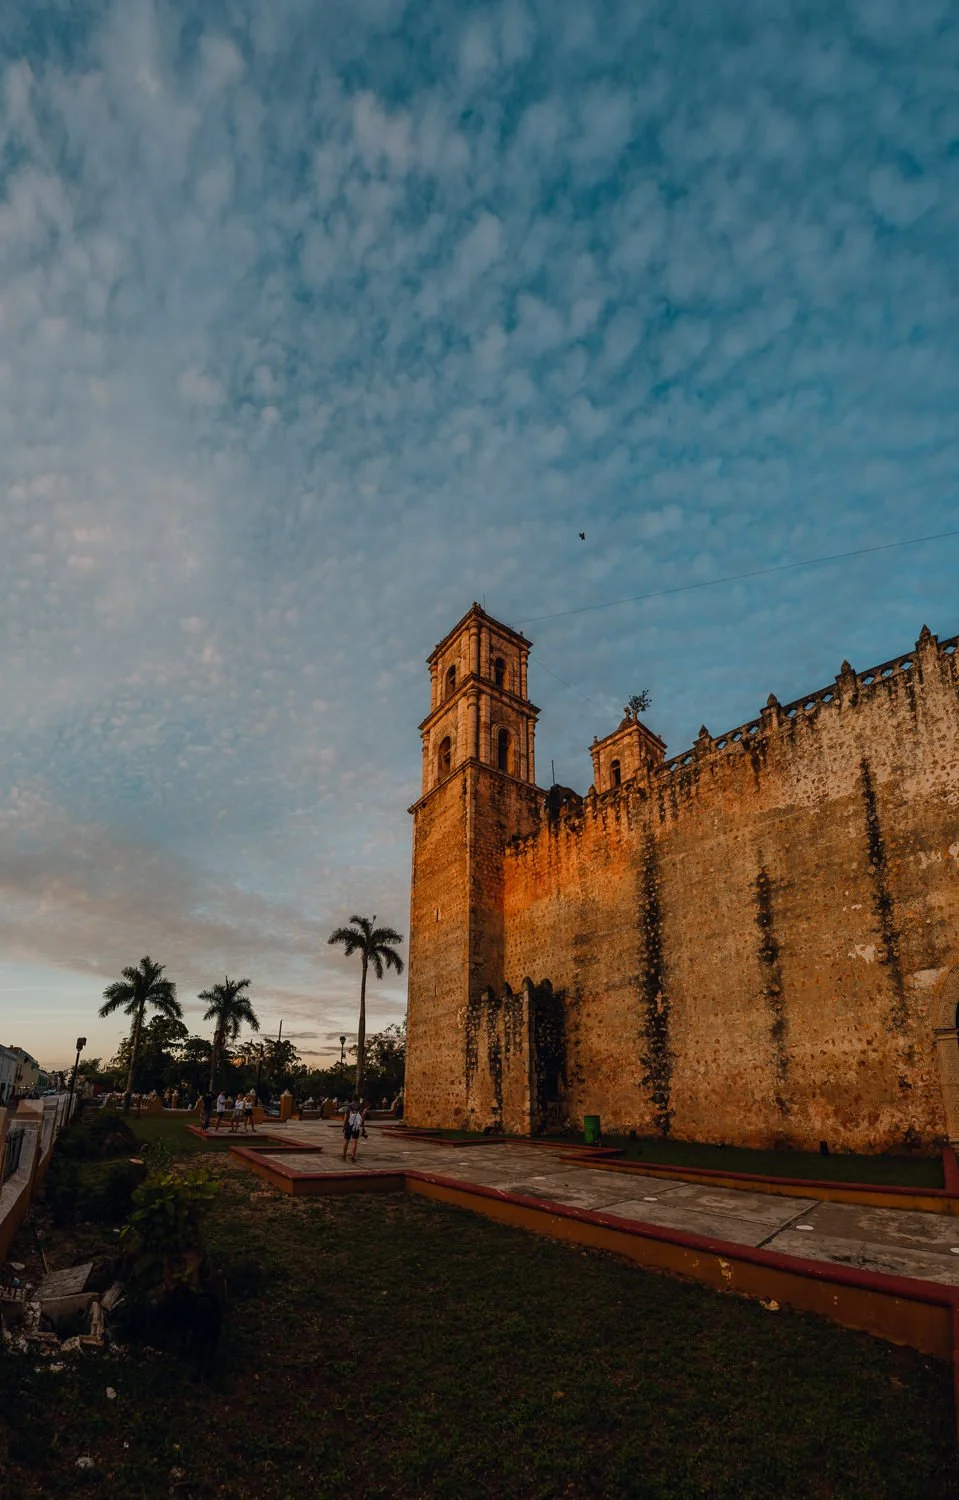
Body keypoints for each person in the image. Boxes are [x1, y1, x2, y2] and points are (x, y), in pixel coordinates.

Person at [342, 1096, 364, 1163]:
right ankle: (353, 1156)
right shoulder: (360, 1106)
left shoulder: (349, 1106)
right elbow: (362, 1116)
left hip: (349, 1125)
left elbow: (346, 1116)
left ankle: (344, 1154)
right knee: (355, 1141)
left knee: (346, 1140)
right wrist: (362, 1125)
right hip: (356, 1125)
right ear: (357, 1100)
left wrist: (343, 1126)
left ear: (352, 1099)